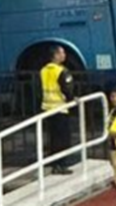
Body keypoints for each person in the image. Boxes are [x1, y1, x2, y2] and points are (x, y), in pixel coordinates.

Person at [40, 45, 74, 175]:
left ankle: (55, 164)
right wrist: (72, 101)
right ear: (56, 55)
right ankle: (61, 164)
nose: (64, 55)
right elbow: (67, 89)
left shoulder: (43, 70)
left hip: (47, 107)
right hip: (60, 108)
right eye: (62, 53)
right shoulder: (62, 71)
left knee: (53, 137)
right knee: (63, 138)